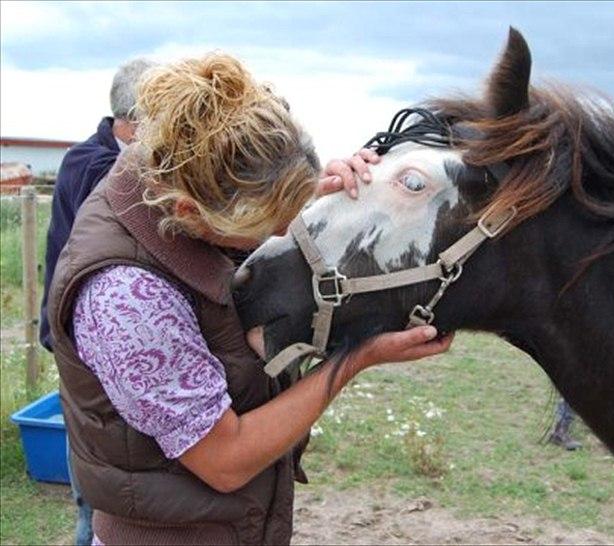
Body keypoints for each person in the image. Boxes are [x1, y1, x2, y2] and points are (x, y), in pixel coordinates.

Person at [47, 53, 453, 546]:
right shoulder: (127, 300)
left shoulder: (164, 171)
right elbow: (226, 460)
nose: (282, 232)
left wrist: (307, 190)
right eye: (265, 224)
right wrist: (356, 359)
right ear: (188, 211)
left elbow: (230, 203)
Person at [37, 58, 155, 546]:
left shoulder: (104, 154)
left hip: (102, 331)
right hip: (88, 336)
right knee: (99, 457)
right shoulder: (96, 164)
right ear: (134, 121)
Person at [40, 57, 156, 352]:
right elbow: (137, 189)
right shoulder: (89, 162)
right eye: (162, 119)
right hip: (79, 326)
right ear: (134, 127)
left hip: (103, 321)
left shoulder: (104, 155)